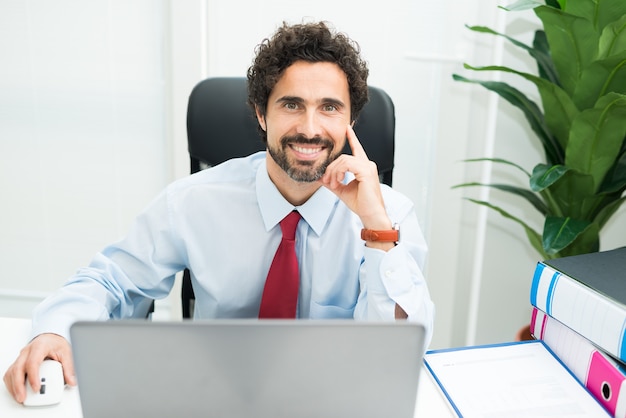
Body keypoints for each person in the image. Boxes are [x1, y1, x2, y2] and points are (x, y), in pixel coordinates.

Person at [4, 21, 434, 403]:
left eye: (329, 107)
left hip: (334, 401)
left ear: (350, 121)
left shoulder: (388, 215)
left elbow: (395, 357)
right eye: (291, 104)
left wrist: (378, 232)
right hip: (214, 397)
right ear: (261, 113)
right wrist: (54, 331)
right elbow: (110, 279)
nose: (310, 127)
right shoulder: (194, 201)